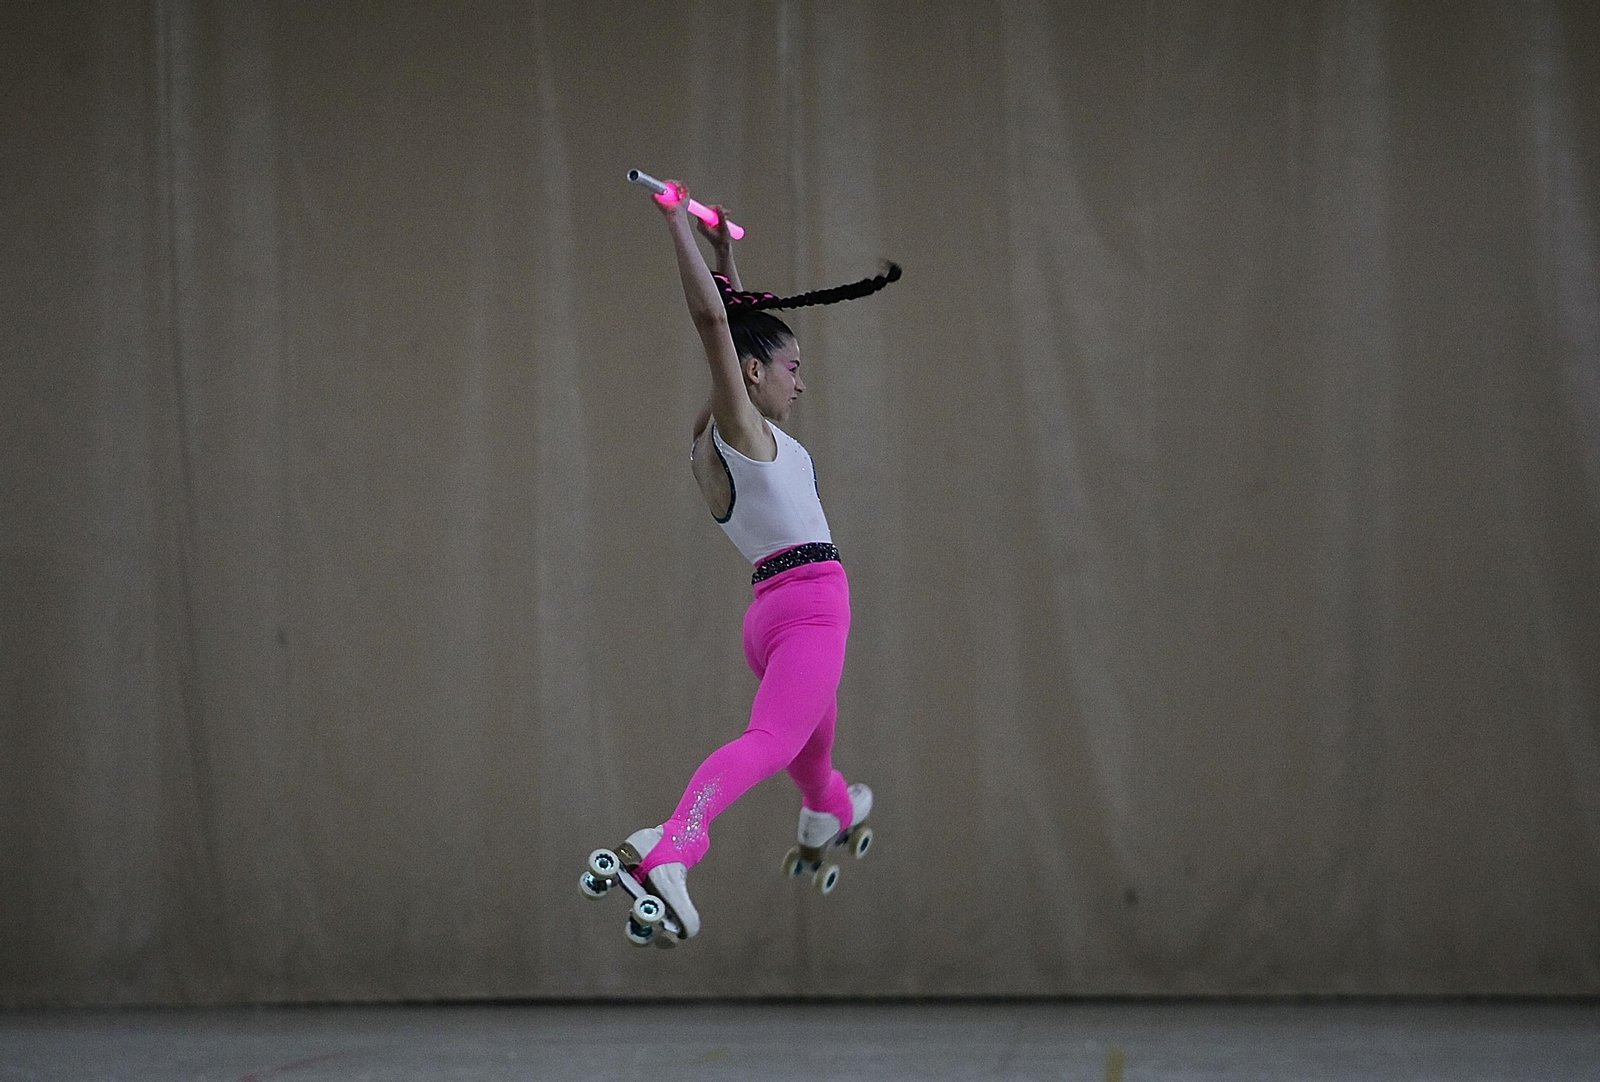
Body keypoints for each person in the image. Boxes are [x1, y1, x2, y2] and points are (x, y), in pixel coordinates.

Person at [616, 180, 901, 938]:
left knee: (811, 745)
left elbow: (733, 327)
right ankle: (673, 845)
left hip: (773, 614)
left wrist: (723, 254)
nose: (801, 381)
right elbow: (716, 325)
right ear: (751, 375)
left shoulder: (724, 440)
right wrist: (676, 222)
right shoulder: (743, 435)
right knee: (774, 742)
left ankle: (827, 808)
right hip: (809, 609)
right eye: (792, 367)